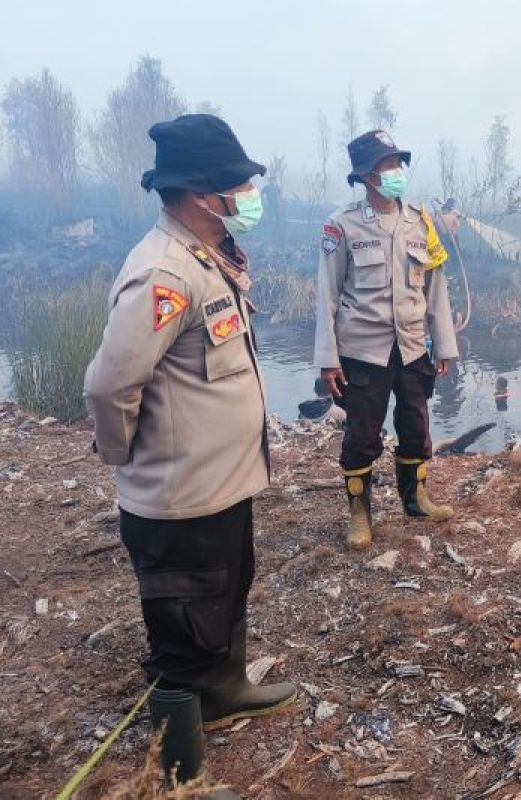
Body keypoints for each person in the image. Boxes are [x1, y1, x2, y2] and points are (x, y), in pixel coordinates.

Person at [84, 114, 296, 795]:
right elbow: (109, 383)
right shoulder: (164, 273)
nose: (250, 191)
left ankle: (225, 691)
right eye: (240, 183)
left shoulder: (210, 256)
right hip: (178, 497)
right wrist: (127, 461)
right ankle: (180, 774)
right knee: (182, 631)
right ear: (200, 193)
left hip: (222, 484)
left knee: (227, 592)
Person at [314, 130, 459, 551]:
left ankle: (415, 499)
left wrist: (444, 344)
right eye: (386, 165)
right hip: (363, 350)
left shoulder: (420, 222)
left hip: (413, 345)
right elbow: (326, 293)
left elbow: (436, 288)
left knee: (416, 425)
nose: (396, 172)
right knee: (362, 434)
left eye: (398, 163)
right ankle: (360, 514)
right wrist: (328, 359)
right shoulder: (342, 226)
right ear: (365, 176)